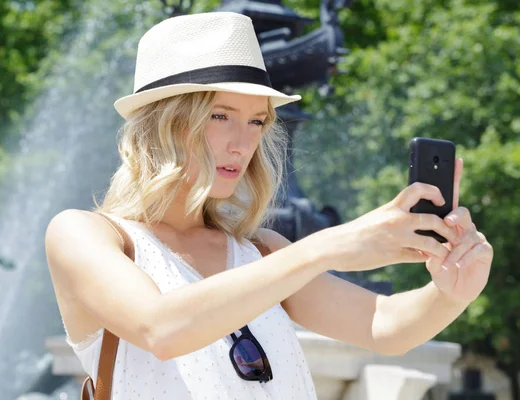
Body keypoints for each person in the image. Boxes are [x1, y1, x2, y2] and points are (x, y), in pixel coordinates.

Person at [44, 11, 493, 400]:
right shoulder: (85, 234)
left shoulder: (262, 251)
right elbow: (160, 328)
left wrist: (452, 292)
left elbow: (387, 327)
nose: (243, 144)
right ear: (165, 123)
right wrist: (330, 246)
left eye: (257, 121)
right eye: (220, 116)